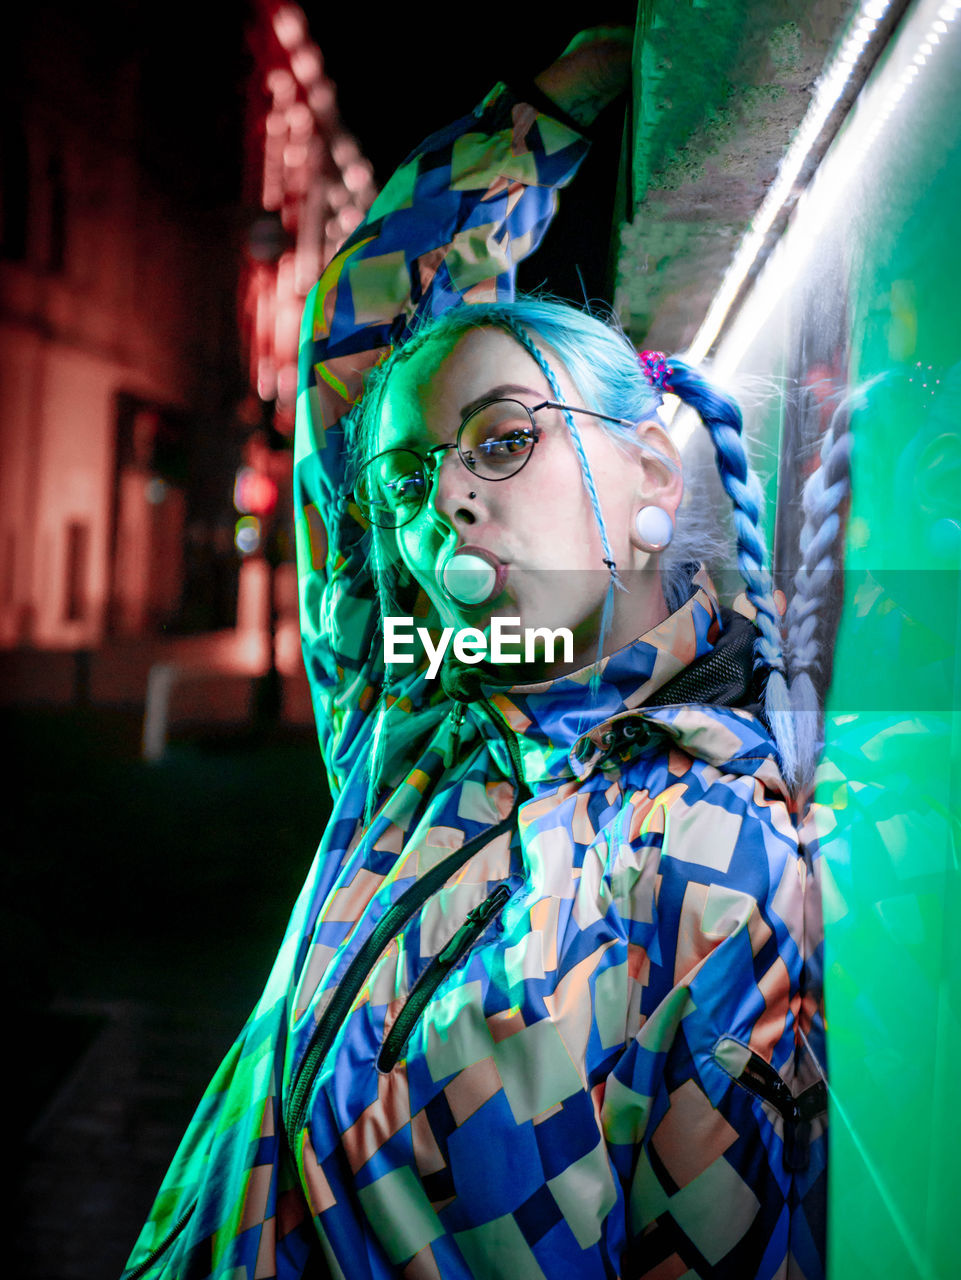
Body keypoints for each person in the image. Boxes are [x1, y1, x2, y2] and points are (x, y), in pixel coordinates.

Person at [123, 29, 827, 1280]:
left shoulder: (714, 856)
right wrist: (556, 105)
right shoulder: (407, 723)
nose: (441, 498)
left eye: (502, 442)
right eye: (411, 478)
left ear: (651, 471)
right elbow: (357, 341)